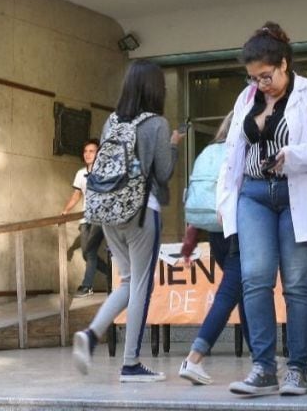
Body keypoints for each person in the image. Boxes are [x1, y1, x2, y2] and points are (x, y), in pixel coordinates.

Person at [218, 23, 307, 397]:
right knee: (255, 279)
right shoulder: (246, 99)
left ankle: (297, 369)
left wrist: (292, 156)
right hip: (254, 194)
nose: (261, 84)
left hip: (298, 194)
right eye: (254, 77)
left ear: (285, 64)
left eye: (266, 75)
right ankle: (263, 368)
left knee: (297, 285)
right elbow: (233, 153)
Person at [72, 60, 182, 382]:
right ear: (154, 88)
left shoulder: (111, 121)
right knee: (141, 285)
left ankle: (92, 334)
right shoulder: (158, 124)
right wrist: (173, 147)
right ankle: (131, 363)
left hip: (108, 213)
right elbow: (163, 173)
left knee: (126, 281)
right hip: (140, 212)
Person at [178, 114, 249, 385]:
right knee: (231, 292)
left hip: (215, 234)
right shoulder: (239, 152)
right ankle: (195, 357)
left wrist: (190, 238)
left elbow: (201, 196)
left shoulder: (208, 151)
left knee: (244, 292)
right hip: (238, 230)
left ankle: (261, 358)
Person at [63, 139, 109, 296]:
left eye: (92, 151)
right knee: (86, 253)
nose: (88, 154)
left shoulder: (104, 171)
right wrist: (66, 211)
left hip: (100, 218)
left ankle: (87, 286)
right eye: (86, 151)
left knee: (90, 250)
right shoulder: (80, 173)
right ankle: (113, 273)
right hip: (85, 219)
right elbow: (76, 195)